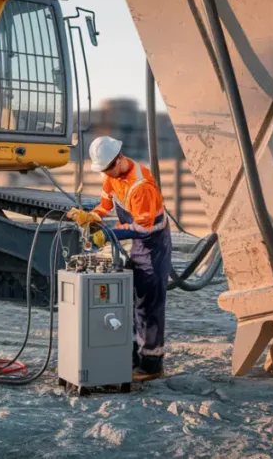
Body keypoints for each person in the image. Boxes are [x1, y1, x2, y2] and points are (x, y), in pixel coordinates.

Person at [67, 136, 172, 381]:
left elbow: (144, 227)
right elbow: (105, 205)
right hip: (138, 242)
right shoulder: (111, 177)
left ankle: (151, 364)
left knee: (150, 304)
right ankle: (132, 357)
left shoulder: (141, 186)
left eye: (108, 169)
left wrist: (110, 233)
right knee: (135, 300)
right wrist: (91, 217)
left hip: (154, 244)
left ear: (119, 159)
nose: (107, 175)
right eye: (103, 171)